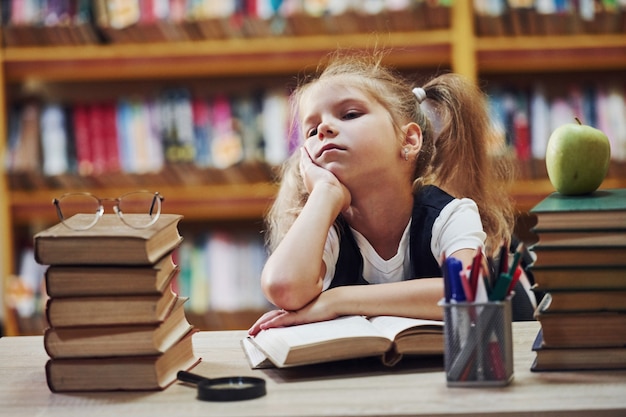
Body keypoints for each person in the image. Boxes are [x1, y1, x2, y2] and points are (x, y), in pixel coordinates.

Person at [248, 50, 532, 336]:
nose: (323, 128)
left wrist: (336, 301)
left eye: (349, 114)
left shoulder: (451, 214)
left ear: (408, 139)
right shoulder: (327, 228)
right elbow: (283, 288)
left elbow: (469, 294)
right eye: (310, 132)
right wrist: (324, 192)